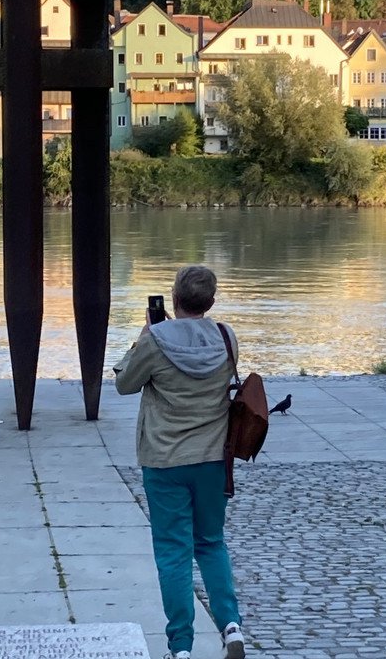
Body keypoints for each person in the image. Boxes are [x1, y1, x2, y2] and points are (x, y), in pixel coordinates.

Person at [113, 265, 245, 659]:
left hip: (165, 459)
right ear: (211, 301)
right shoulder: (226, 336)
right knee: (211, 543)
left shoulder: (154, 340)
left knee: (173, 552)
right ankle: (231, 626)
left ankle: (182, 647)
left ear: (173, 298)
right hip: (211, 458)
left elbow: (124, 384)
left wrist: (142, 338)